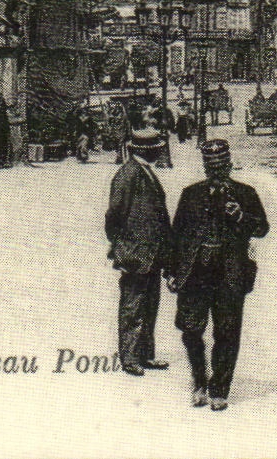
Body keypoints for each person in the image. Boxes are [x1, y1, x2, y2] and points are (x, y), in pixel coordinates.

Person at [167, 140, 269, 410]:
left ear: (230, 165)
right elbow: (176, 236)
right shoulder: (191, 194)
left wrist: (241, 217)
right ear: (204, 168)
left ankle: (220, 389)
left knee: (227, 332)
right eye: (211, 168)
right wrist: (171, 271)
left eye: (222, 167)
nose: (217, 173)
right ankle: (199, 380)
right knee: (191, 329)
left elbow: (261, 228)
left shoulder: (246, 194)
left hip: (230, 273)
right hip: (196, 272)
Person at [105, 126, 173, 378]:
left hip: (151, 254)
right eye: (157, 149)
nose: (160, 153)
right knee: (133, 307)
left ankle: (145, 354)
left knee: (149, 305)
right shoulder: (128, 174)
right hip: (135, 253)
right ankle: (130, 358)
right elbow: (113, 217)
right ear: (149, 151)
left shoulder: (144, 172)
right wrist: (120, 249)